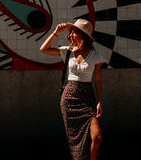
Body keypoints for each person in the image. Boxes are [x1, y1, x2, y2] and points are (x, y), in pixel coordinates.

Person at [40, 18, 105, 160]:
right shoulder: (67, 52)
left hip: (87, 97)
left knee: (97, 137)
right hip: (69, 99)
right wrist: (55, 32)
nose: (71, 34)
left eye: (75, 31)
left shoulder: (95, 56)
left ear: (83, 35)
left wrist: (99, 101)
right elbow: (43, 49)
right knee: (75, 141)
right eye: (72, 31)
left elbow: (98, 80)